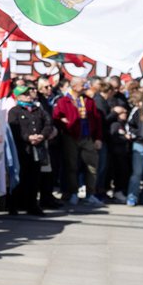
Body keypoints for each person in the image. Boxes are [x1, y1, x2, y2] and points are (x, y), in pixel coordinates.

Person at [53, 77, 103, 206]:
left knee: (92, 166)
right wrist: (64, 123)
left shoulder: (89, 101)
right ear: (74, 86)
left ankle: (90, 194)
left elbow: (97, 120)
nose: (86, 86)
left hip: (87, 137)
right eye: (82, 84)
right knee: (71, 166)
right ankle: (73, 193)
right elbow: (56, 117)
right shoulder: (64, 101)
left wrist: (98, 138)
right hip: (71, 137)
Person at [9, 81, 54, 215]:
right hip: (22, 149)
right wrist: (27, 137)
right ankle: (15, 204)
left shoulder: (38, 109)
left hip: (37, 148)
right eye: (24, 94)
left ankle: (32, 205)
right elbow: (14, 128)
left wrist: (42, 135)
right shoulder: (14, 111)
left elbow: (48, 123)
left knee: (35, 178)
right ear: (18, 97)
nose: (29, 96)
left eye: (29, 93)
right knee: (20, 176)